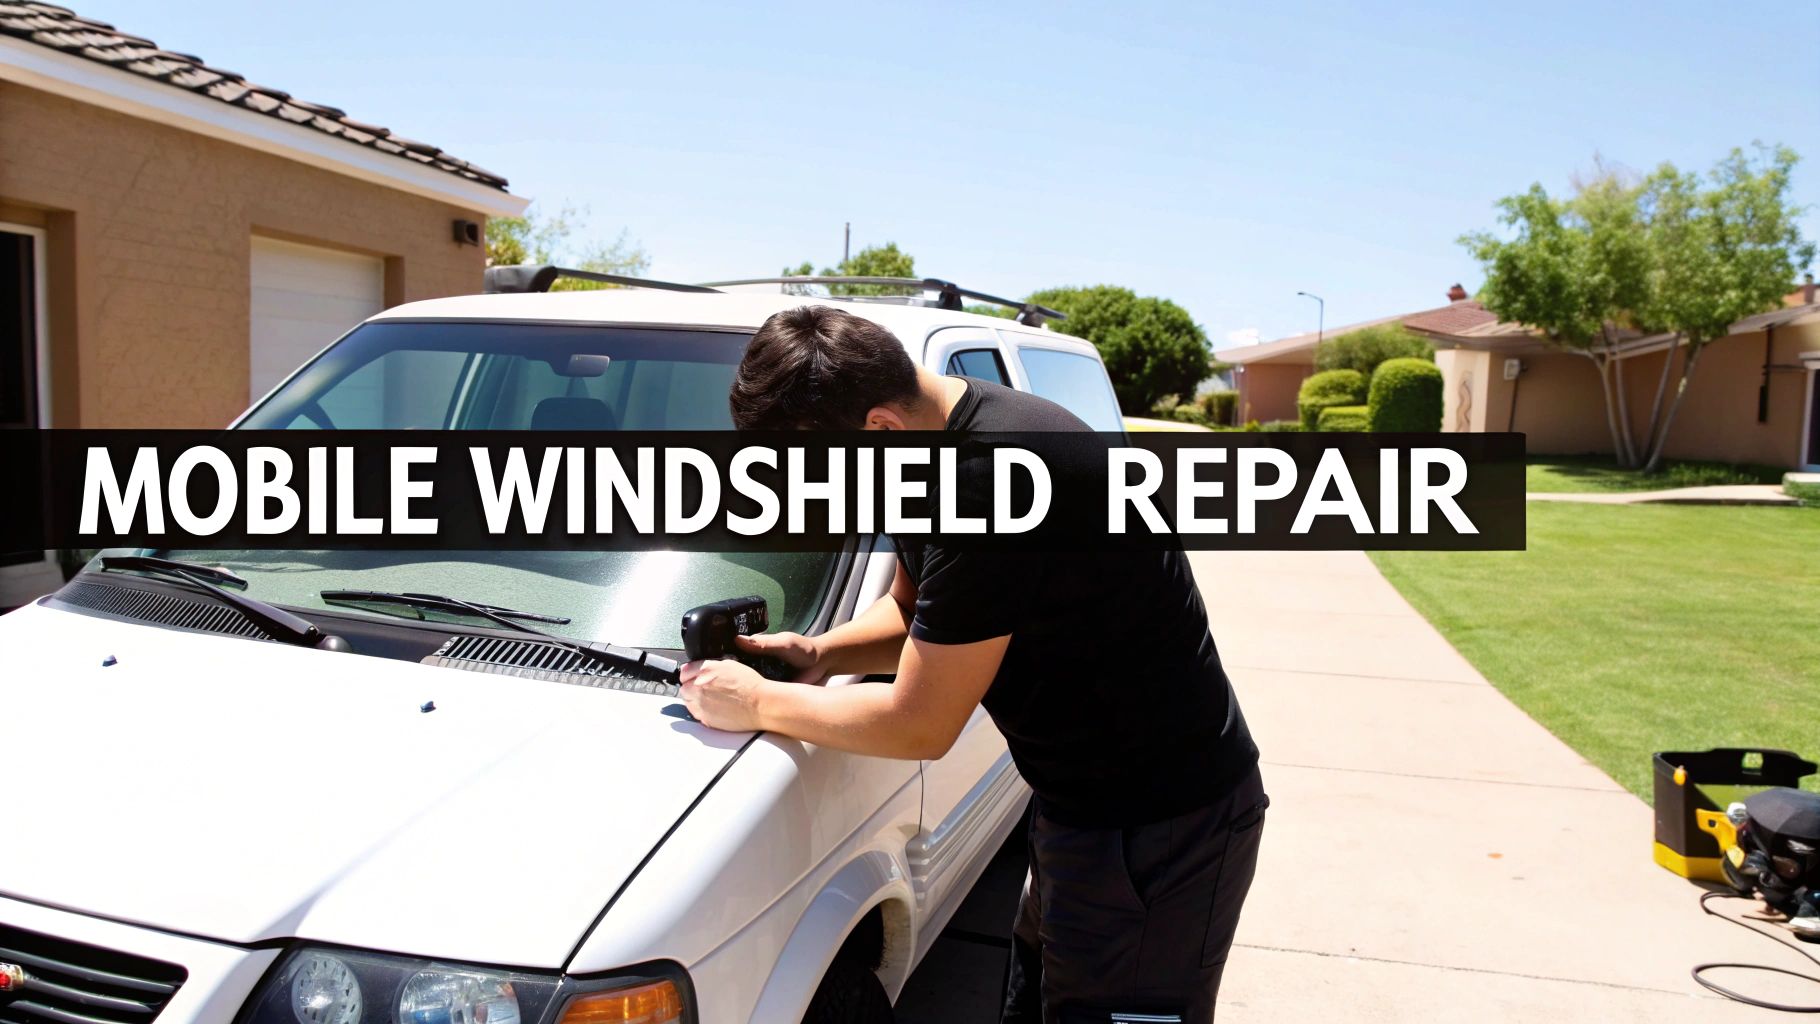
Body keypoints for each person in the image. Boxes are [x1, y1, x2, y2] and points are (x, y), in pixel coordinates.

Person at [679, 306, 1265, 1023]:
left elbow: (920, 725)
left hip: (1161, 825)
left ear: (879, 429)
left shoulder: (991, 478)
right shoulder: (930, 451)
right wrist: (822, 653)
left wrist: (758, 704)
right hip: (1082, 810)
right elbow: (915, 612)